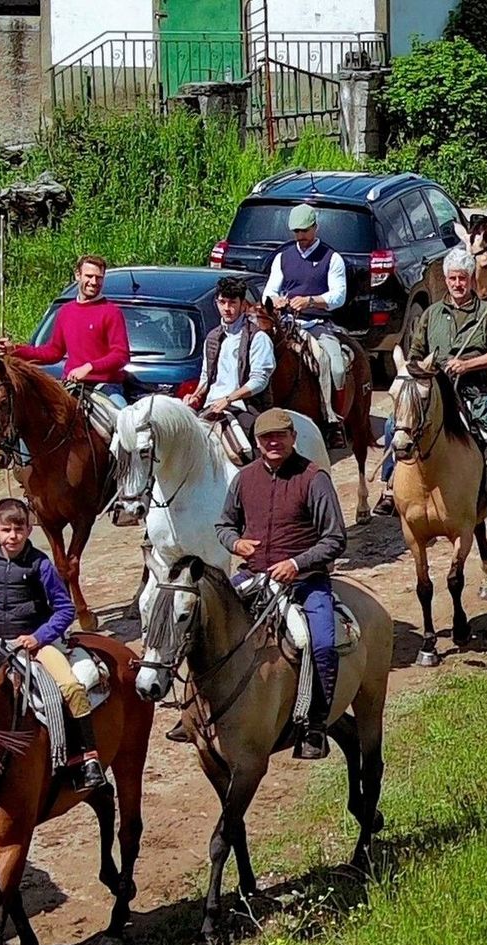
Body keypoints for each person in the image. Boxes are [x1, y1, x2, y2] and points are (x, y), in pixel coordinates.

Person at [215, 409, 347, 760]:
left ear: (293, 438)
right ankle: (198, 712)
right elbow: (224, 525)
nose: (273, 443)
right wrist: (234, 543)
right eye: (266, 438)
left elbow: (335, 538)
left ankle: (316, 725)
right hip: (253, 576)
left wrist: (296, 563)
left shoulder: (314, 478)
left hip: (305, 581)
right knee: (203, 624)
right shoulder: (243, 479)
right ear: (257, 442)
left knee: (321, 644)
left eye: (279, 436)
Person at [0, 497, 104, 795]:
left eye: (19, 529)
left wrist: (39, 636)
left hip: (36, 646)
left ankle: (88, 758)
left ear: (29, 530)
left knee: (71, 688)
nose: (13, 536)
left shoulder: (41, 564)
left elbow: (65, 609)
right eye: (6, 530)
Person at [374, 248, 487, 524]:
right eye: (452, 278)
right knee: (393, 425)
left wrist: (467, 364)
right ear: (446, 280)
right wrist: (424, 370)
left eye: (462, 278)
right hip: (434, 391)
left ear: (471, 279)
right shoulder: (431, 314)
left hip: (475, 391)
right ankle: (389, 487)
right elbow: (415, 353)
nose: (457, 284)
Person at [262, 204, 351, 443]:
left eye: (304, 231)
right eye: (296, 231)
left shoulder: (332, 258)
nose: (300, 236)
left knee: (335, 367)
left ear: (315, 228)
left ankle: (334, 420)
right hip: (286, 322)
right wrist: (275, 300)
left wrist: (311, 300)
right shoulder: (283, 257)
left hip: (316, 323)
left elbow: (339, 296)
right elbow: (269, 291)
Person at [0, 255, 131, 409]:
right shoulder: (65, 311)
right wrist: (14, 350)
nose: (94, 282)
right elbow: (53, 352)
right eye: (89, 276)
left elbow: (121, 355)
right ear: (78, 275)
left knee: (122, 417)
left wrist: (89, 367)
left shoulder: (111, 312)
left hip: (106, 387)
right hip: (71, 385)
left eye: (99, 278)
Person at [183, 276, 276, 441]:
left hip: (245, 408)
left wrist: (229, 399)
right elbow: (206, 376)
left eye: (232, 303)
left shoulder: (258, 338)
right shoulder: (212, 337)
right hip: (211, 406)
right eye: (222, 302)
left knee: (248, 448)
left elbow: (259, 380)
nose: (227, 308)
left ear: (243, 304)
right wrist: (195, 395)